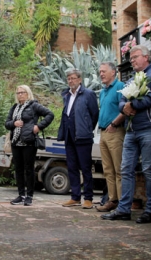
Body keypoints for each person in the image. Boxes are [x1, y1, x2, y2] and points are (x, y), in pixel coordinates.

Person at [101, 45, 151, 223]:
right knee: (126, 170)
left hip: (150, 128)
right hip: (131, 130)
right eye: (130, 58)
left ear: (146, 57)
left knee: (149, 170)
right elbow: (121, 102)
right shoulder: (131, 80)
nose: (132, 60)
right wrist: (126, 106)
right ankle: (124, 209)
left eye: (135, 57)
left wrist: (133, 105)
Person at [5, 85, 54, 206]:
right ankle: (21, 195)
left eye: (23, 92)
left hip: (29, 142)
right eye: (18, 93)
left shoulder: (34, 105)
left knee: (29, 169)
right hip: (16, 142)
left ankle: (29, 196)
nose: (20, 94)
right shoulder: (15, 107)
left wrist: (38, 127)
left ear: (28, 93)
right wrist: (14, 123)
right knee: (18, 169)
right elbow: (7, 123)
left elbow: (50, 114)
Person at [57, 69, 99, 209]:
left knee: (85, 168)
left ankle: (88, 198)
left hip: (83, 137)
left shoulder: (88, 94)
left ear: (80, 79)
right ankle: (75, 197)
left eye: (73, 78)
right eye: (69, 78)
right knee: (72, 167)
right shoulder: (67, 95)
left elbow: (94, 115)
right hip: (69, 136)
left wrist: (87, 129)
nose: (71, 81)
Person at [96, 62, 126, 212]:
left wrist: (114, 124)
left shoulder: (120, 86)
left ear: (113, 72)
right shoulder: (103, 91)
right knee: (107, 169)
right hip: (103, 133)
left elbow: (126, 108)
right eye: (100, 72)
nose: (101, 74)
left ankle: (122, 203)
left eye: (104, 71)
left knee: (118, 168)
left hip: (115, 132)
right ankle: (112, 200)